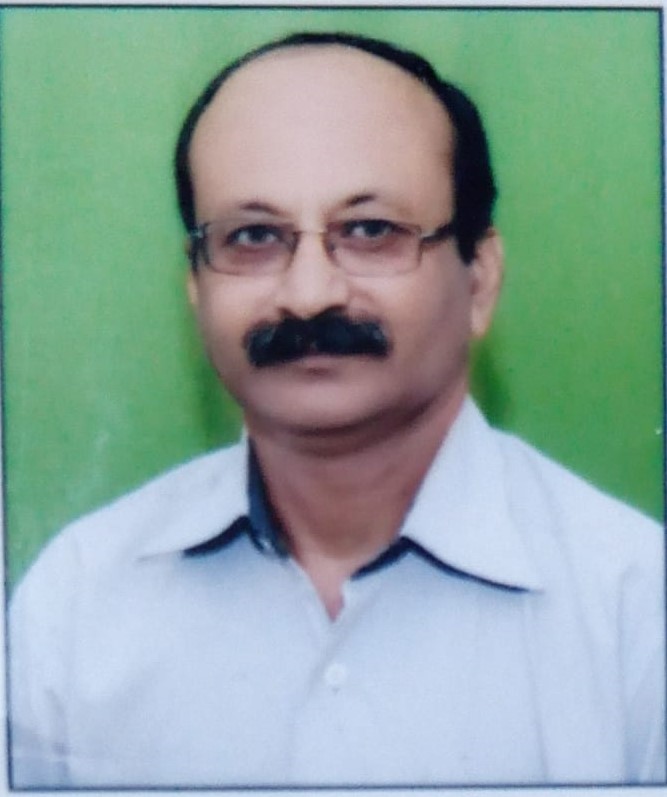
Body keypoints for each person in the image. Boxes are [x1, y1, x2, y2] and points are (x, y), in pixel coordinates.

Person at [9, 31, 664, 789]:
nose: (309, 294)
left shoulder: (635, 610)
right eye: (253, 237)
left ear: (478, 279)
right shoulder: (76, 602)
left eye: (370, 231)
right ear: (196, 286)